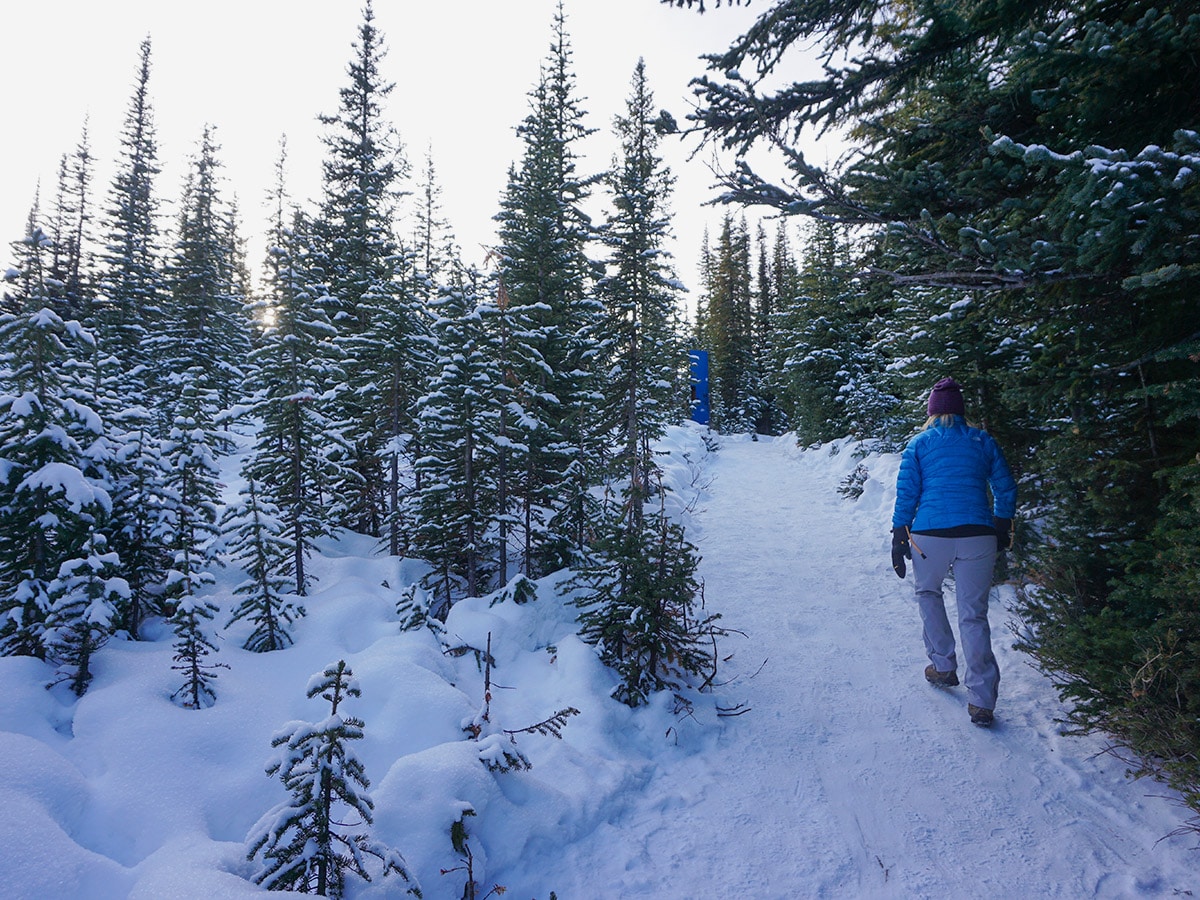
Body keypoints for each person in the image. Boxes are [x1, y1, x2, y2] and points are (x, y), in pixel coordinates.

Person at [890, 377, 1017, 727]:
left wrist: (899, 535)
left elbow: (907, 494)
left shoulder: (919, 443)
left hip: (930, 536)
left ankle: (943, 665)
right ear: (961, 411)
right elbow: (1005, 487)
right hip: (978, 534)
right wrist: (1002, 525)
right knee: (973, 614)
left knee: (928, 593)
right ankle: (981, 701)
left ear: (931, 412)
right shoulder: (983, 440)